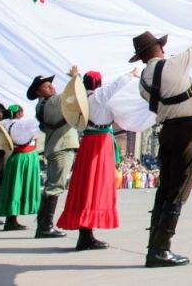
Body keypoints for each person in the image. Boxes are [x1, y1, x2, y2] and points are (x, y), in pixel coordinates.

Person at [132, 30, 192, 268]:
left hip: (166, 130)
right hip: (186, 129)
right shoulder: (175, 64)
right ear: (157, 48)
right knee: (179, 188)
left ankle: (153, 247)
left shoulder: (143, 82)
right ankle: (161, 250)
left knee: (165, 189)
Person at [57, 69, 139, 251]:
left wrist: (74, 78)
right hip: (100, 143)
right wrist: (130, 74)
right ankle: (87, 236)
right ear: (99, 84)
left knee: (85, 186)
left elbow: (77, 90)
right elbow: (116, 85)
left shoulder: (82, 99)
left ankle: (85, 234)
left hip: (88, 140)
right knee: (96, 186)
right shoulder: (99, 97)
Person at [28, 66, 80, 238]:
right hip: (62, 146)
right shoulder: (52, 102)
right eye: (45, 86)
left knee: (52, 185)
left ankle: (43, 224)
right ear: (38, 92)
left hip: (55, 146)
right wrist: (75, 77)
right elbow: (73, 95)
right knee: (55, 186)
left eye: (51, 84)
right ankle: (45, 226)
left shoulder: (42, 105)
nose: (51, 87)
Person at [0, 104, 42, 231]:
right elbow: (40, 131)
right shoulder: (25, 124)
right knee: (21, 186)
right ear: (20, 113)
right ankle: (13, 220)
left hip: (15, 156)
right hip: (26, 157)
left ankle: (11, 218)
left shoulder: (7, 125)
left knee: (13, 187)